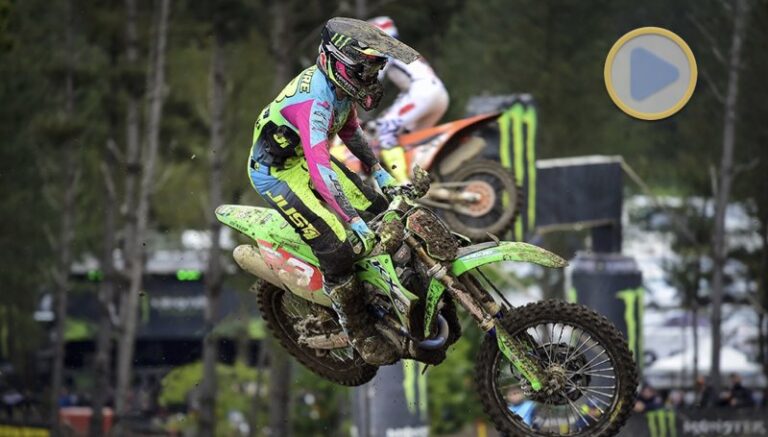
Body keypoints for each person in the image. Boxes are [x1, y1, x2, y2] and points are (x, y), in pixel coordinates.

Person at [248, 17, 417, 365]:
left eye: (374, 71)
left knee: (379, 208)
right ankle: (359, 331)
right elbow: (320, 169)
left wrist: (378, 171)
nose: (368, 78)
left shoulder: (341, 90)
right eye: (363, 70)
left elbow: (350, 131)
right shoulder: (316, 102)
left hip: (305, 159)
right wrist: (351, 219)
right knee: (337, 248)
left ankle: (382, 289)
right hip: (277, 174)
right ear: (335, 62)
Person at [368, 16, 450, 182]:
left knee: (385, 129)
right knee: (409, 140)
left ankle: (402, 183)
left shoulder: (386, 47)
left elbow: (373, 77)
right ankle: (420, 179)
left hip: (422, 92)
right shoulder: (403, 49)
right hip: (438, 94)